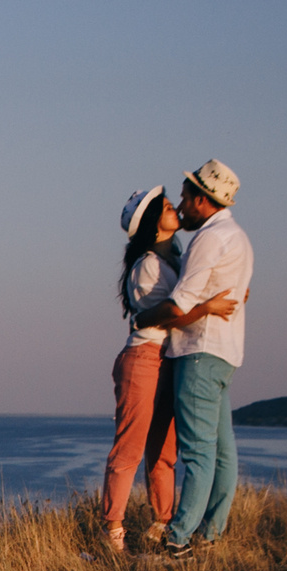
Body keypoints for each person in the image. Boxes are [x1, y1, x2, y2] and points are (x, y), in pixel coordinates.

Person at [132, 160, 252, 558]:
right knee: (222, 451)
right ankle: (210, 532)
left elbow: (179, 304)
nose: (181, 206)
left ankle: (178, 538)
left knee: (198, 452)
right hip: (226, 353)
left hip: (199, 352)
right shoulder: (239, 237)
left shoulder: (209, 239)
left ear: (202, 200)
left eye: (184, 198)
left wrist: (142, 318)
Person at [102, 187, 183, 549]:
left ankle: (162, 523)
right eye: (166, 207)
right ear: (152, 222)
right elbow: (168, 314)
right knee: (131, 448)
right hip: (145, 358)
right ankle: (113, 529)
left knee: (164, 450)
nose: (174, 209)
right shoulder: (149, 264)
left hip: (167, 358)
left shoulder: (171, 259)